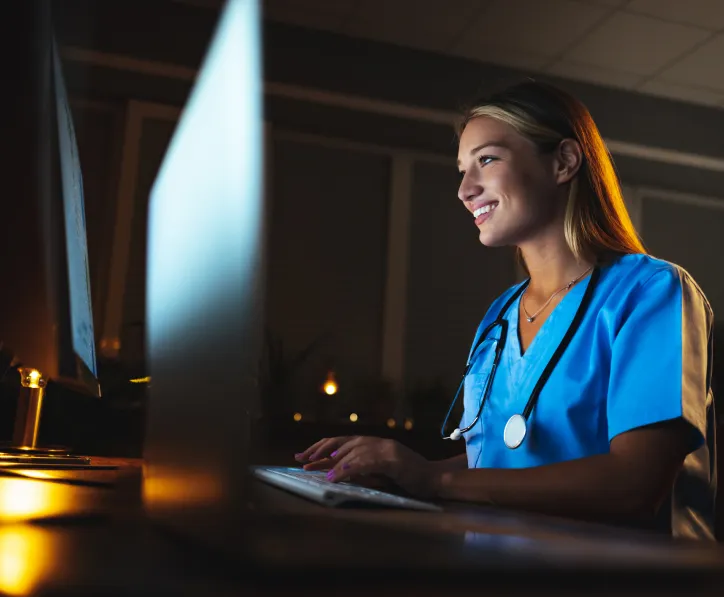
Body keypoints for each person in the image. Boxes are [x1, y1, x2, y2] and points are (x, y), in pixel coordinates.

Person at [294, 81, 717, 540]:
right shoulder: (500, 314)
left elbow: (635, 484)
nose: (464, 189)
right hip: (499, 572)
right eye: (462, 169)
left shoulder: (650, 292)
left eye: (487, 160)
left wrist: (435, 480)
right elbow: (500, 461)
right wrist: (400, 473)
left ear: (564, 162)